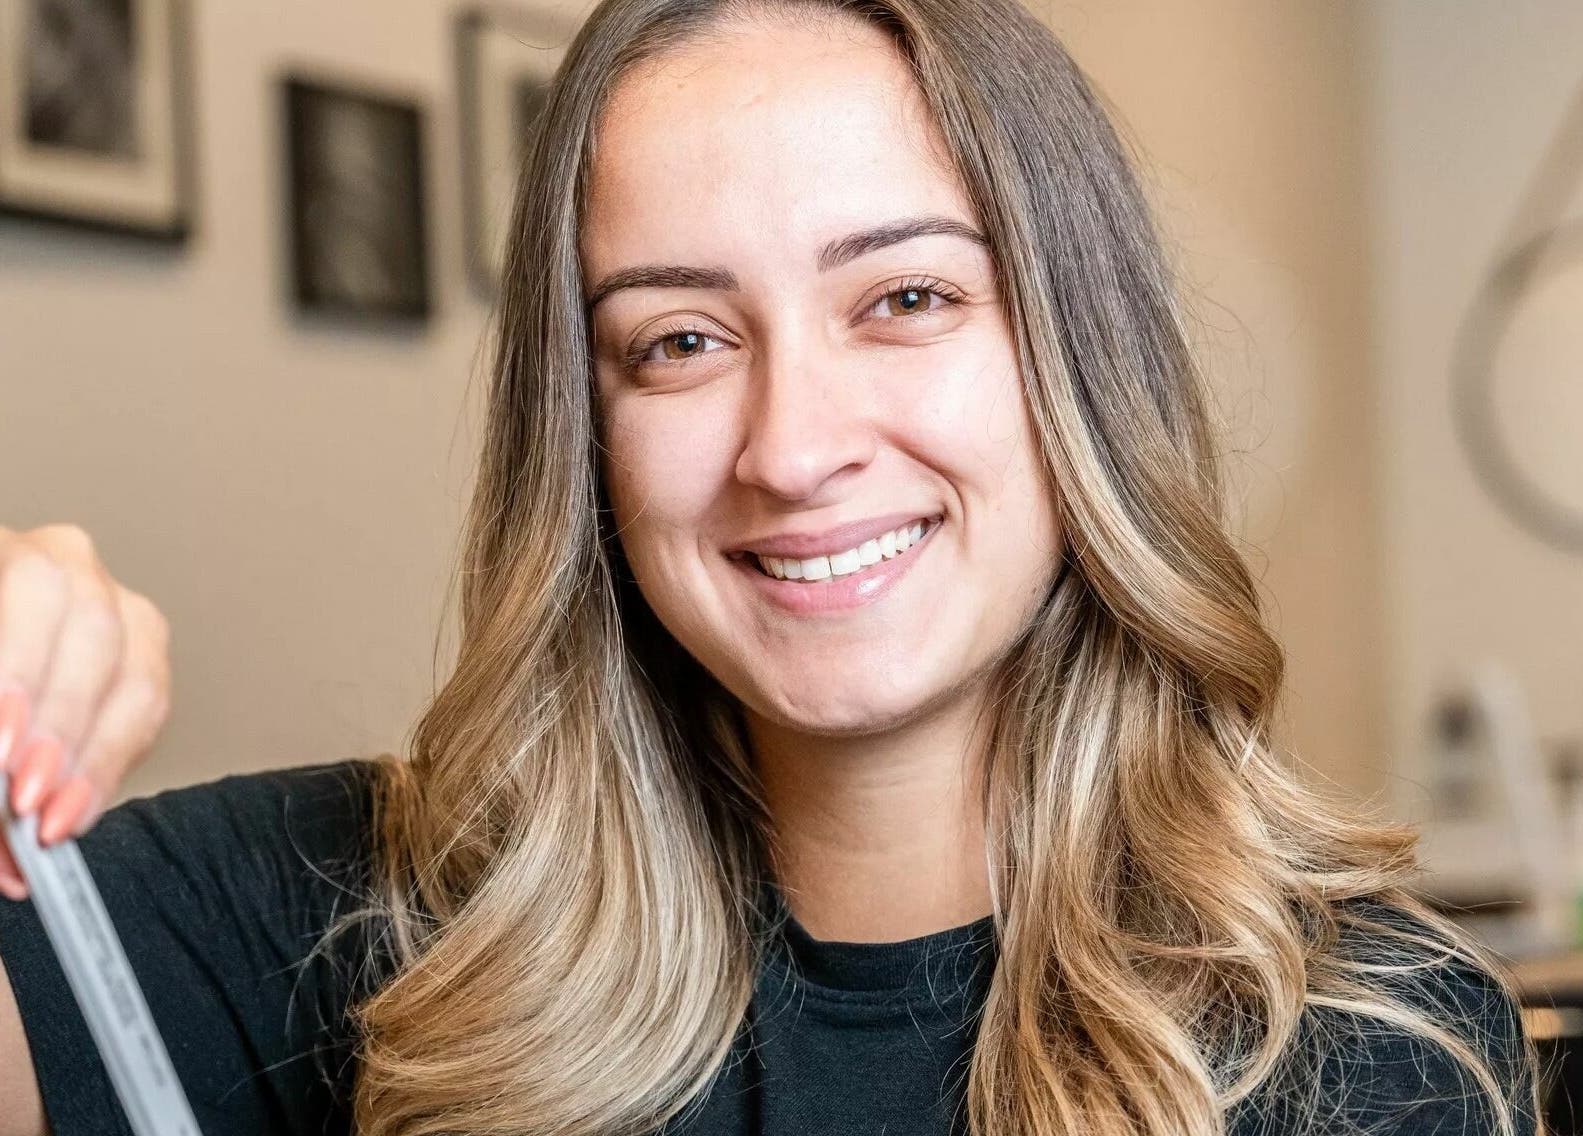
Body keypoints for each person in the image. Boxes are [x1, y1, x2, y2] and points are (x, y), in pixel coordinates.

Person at [0, 0, 1547, 1133]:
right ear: (586, 440)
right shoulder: (350, 924)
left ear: (1080, 355)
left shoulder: (1366, 1046)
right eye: (678, 340)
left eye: (905, 299)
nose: (792, 448)